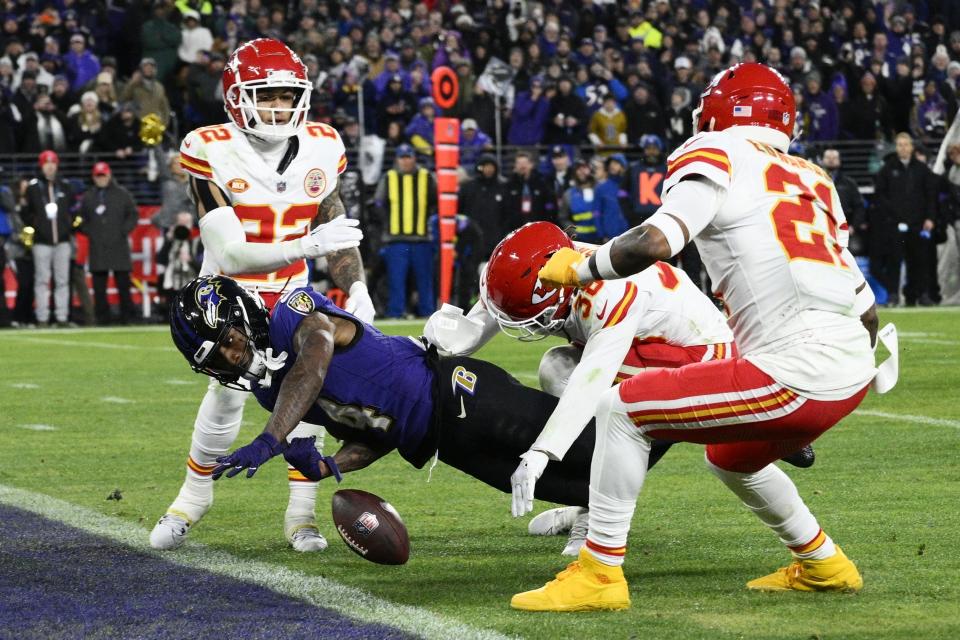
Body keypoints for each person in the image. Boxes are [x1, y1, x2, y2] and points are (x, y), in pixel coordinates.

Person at [521, 63, 887, 610]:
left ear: (722, 111)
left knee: (620, 409)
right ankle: (824, 563)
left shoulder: (717, 152)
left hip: (795, 369)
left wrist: (580, 267)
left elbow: (654, 242)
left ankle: (598, 573)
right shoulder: (813, 178)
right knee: (731, 456)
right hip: (855, 369)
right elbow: (867, 311)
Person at [149, 38, 369, 555]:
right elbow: (231, 253)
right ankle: (191, 499)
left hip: (291, 292)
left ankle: (301, 515)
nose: (277, 108)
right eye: (265, 95)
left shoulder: (322, 144)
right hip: (228, 294)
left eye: (286, 97)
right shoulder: (209, 146)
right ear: (236, 96)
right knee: (226, 394)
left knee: (309, 396)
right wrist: (308, 244)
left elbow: (336, 223)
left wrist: (356, 284)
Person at [872, 133, 940, 306]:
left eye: (906, 144)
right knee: (894, 260)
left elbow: (931, 195)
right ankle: (893, 295)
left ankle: (921, 295)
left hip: (918, 223)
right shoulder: (887, 169)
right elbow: (880, 196)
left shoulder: (922, 169)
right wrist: (891, 216)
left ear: (912, 147)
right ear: (896, 147)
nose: (903, 148)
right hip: (895, 224)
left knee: (920, 260)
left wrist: (930, 218)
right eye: (899, 145)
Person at [373, 143, 437, 318]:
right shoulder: (389, 177)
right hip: (395, 240)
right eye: (402, 157)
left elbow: (436, 202)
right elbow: (378, 204)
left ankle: (427, 313)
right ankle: (395, 313)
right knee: (396, 280)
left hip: (422, 239)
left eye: (408, 157)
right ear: (397, 160)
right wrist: (387, 224)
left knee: (425, 280)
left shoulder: (427, 177)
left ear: (414, 158)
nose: (406, 161)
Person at [78, 162, 138, 325]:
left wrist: (123, 230)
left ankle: (128, 317)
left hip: (118, 244)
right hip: (98, 246)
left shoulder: (121, 194)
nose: (101, 179)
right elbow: (81, 218)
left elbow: (133, 214)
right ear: (93, 177)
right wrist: (90, 231)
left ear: (109, 175)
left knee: (123, 285)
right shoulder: (89, 196)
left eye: (103, 175)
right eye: (98, 176)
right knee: (99, 288)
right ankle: (102, 318)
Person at [22, 150, 75, 327]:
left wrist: (67, 228)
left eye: (53, 163)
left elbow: (73, 210)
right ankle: (42, 318)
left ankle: (62, 317)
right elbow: (26, 213)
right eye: (46, 163)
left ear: (57, 165)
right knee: (42, 281)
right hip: (41, 242)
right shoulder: (33, 187)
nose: (50, 166)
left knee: (62, 280)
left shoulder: (66, 186)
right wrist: (37, 226)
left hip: (62, 241)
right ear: (41, 165)